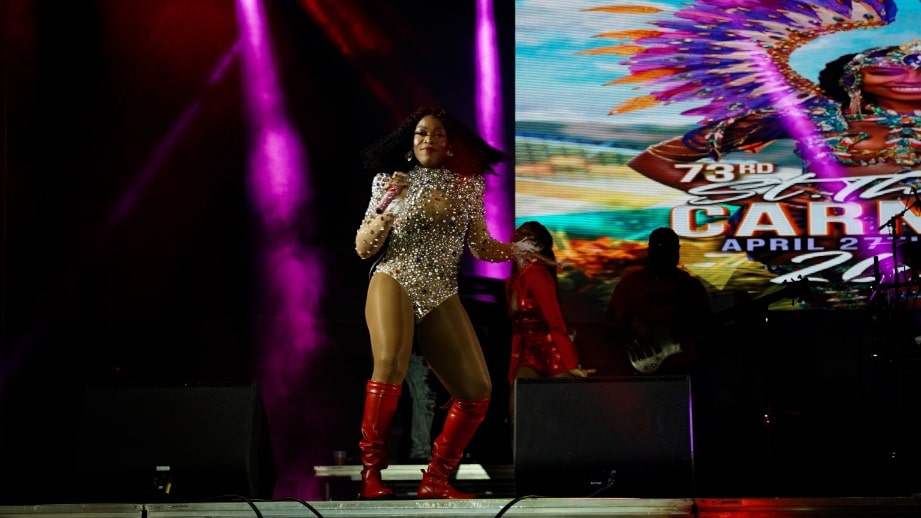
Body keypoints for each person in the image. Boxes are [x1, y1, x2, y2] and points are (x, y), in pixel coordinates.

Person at [353, 106, 537, 500]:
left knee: (477, 390)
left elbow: (481, 246)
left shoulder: (468, 187)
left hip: (440, 290)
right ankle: (371, 475)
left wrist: (516, 250)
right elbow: (364, 247)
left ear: (450, 145)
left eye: (438, 134)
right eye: (421, 133)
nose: (429, 140)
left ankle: (435, 479)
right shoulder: (389, 181)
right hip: (394, 277)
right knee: (390, 365)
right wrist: (387, 208)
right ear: (410, 141)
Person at [505, 221, 594, 419]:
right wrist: (512, 371)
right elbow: (517, 331)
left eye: (525, 236)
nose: (518, 239)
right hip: (528, 354)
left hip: (553, 352)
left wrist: (571, 364)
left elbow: (555, 321)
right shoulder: (512, 282)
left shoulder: (537, 274)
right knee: (516, 413)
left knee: (566, 416)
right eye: (517, 234)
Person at [603, 227, 713, 376]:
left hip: (685, 364)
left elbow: (706, 324)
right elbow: (610, 323)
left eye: (669, 249)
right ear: (650, 251)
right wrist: (634, 323)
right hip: (644, 367)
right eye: (661, 248)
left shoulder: (691, 285)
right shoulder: (631, 283)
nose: (665, 254)